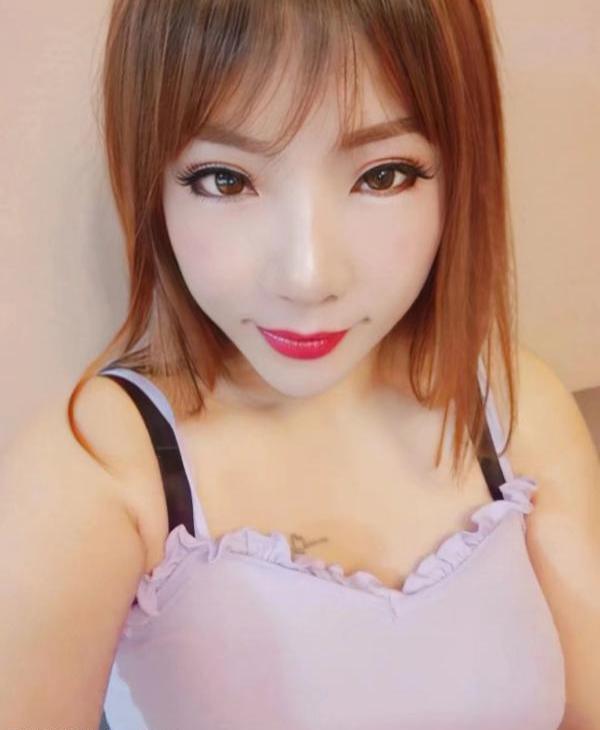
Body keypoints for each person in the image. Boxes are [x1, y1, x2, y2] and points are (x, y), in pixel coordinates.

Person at [1, 1, 599, 729]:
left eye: (384, 175)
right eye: (225, 180)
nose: (308, 277)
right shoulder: (92, 471)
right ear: (152, 181)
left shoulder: (512, 401)